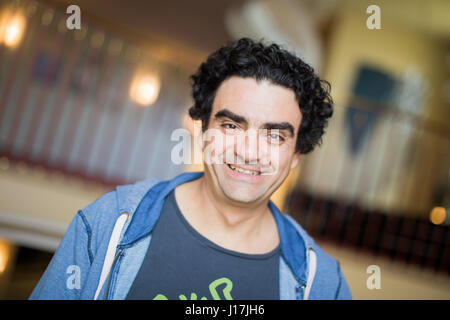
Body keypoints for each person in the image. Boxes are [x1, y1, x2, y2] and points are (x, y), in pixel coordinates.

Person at [30, 38, 351, 300]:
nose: (249, 152)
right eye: (231, 125)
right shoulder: (107, 224)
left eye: (274, 135)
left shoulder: (320, 282)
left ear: (296, 154)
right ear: (202, 130)